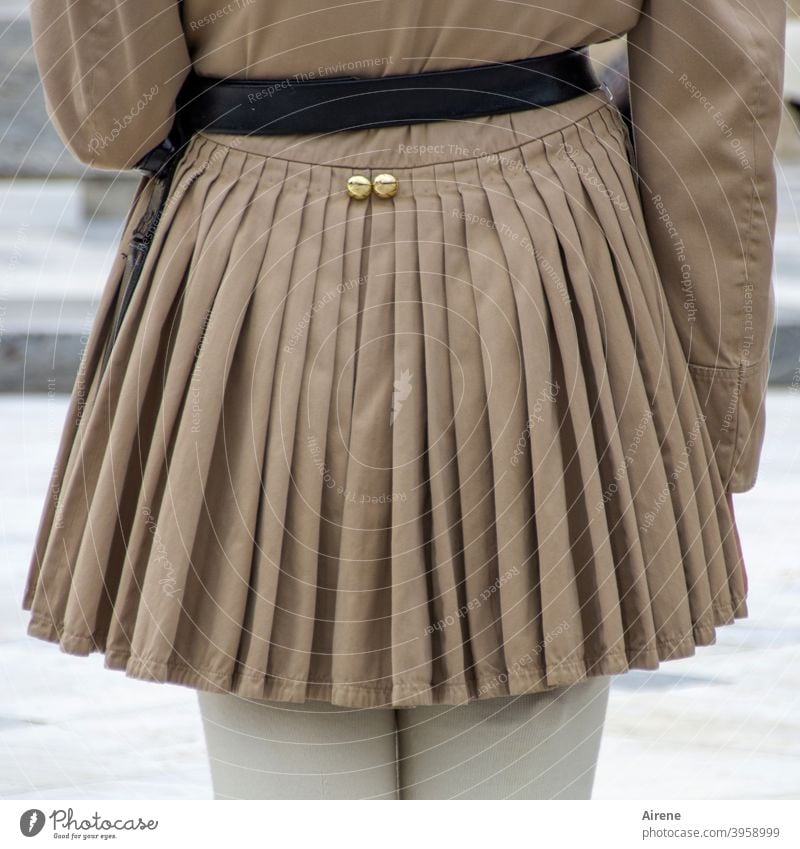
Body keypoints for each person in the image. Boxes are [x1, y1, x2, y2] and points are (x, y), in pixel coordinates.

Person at [21, 0, 785, 799]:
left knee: (291, 757)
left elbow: (115, 116)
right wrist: (707, 420)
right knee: (516, 749)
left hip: (260, 263)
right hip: (545, 257)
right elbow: (716, 100)